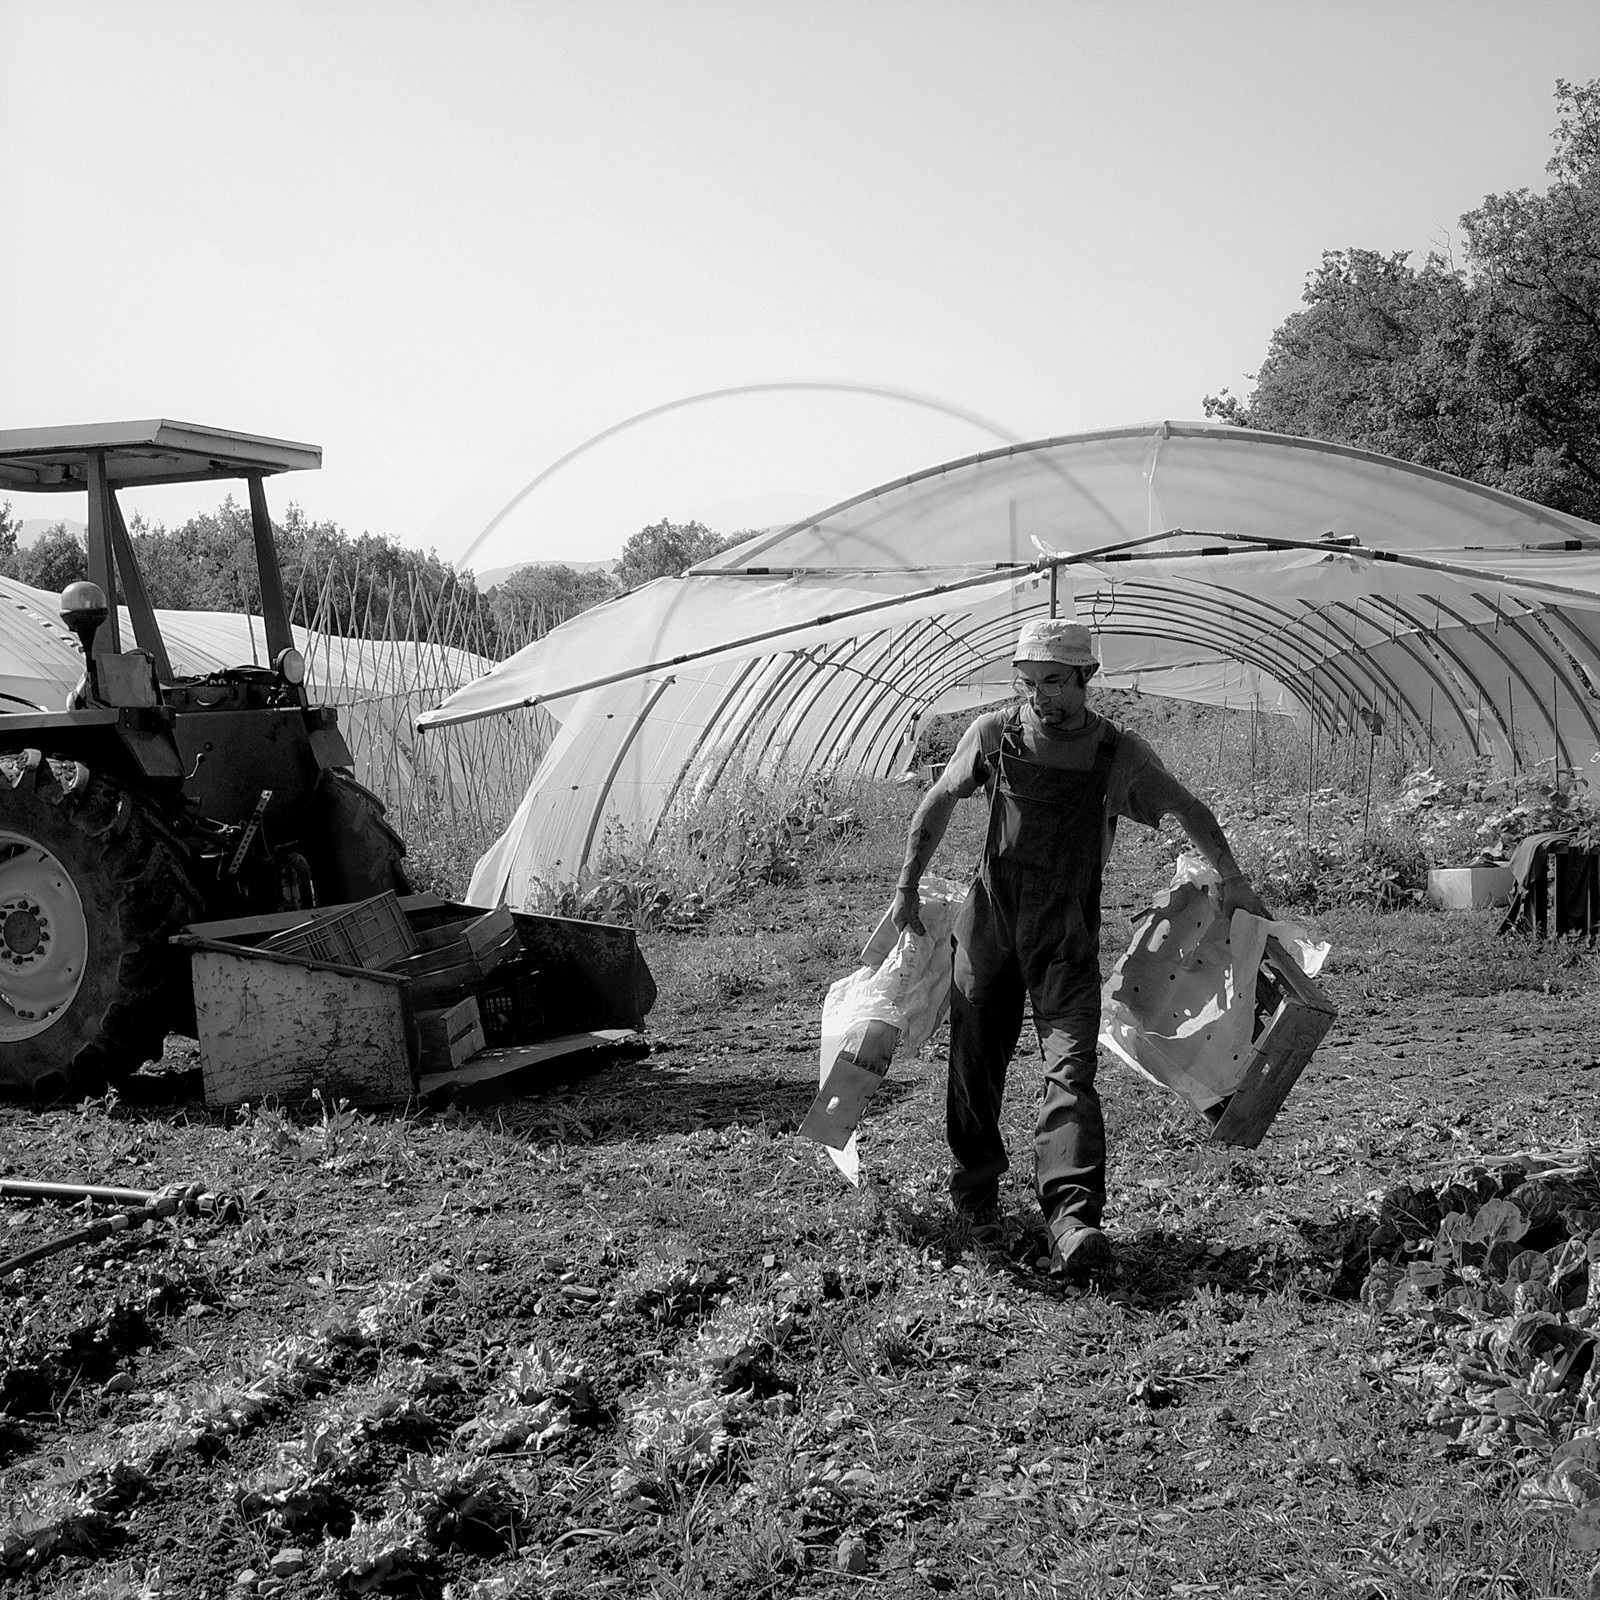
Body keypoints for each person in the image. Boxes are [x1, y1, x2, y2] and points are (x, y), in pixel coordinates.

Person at [891, 618, 1269, 1280]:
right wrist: (905, 887)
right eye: (1029, 681)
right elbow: (939, 798)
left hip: (1064, 935)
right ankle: (976, 1193)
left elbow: (1190, 811)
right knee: (975, 1063)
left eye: (1055, 682)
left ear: (1086, 679)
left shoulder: (1113, 754)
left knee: (1070, 1070)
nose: (1039, 695)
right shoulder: (995, 736)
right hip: (990, 925)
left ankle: (1071, 1218)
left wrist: (1233, 884)